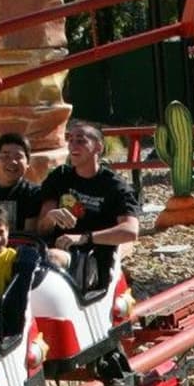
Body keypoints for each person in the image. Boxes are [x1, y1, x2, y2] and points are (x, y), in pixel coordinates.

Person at [38, 120, 139, 289]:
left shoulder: (115, 186)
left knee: (51, 258)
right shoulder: (59, 177)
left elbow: (130, 231)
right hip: (56, 251)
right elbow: (42, 228)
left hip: (92, 259)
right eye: (70, 140)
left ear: (98, 147)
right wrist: (50, 217)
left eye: (81, 140)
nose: (73, 145)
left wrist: (84, 238)